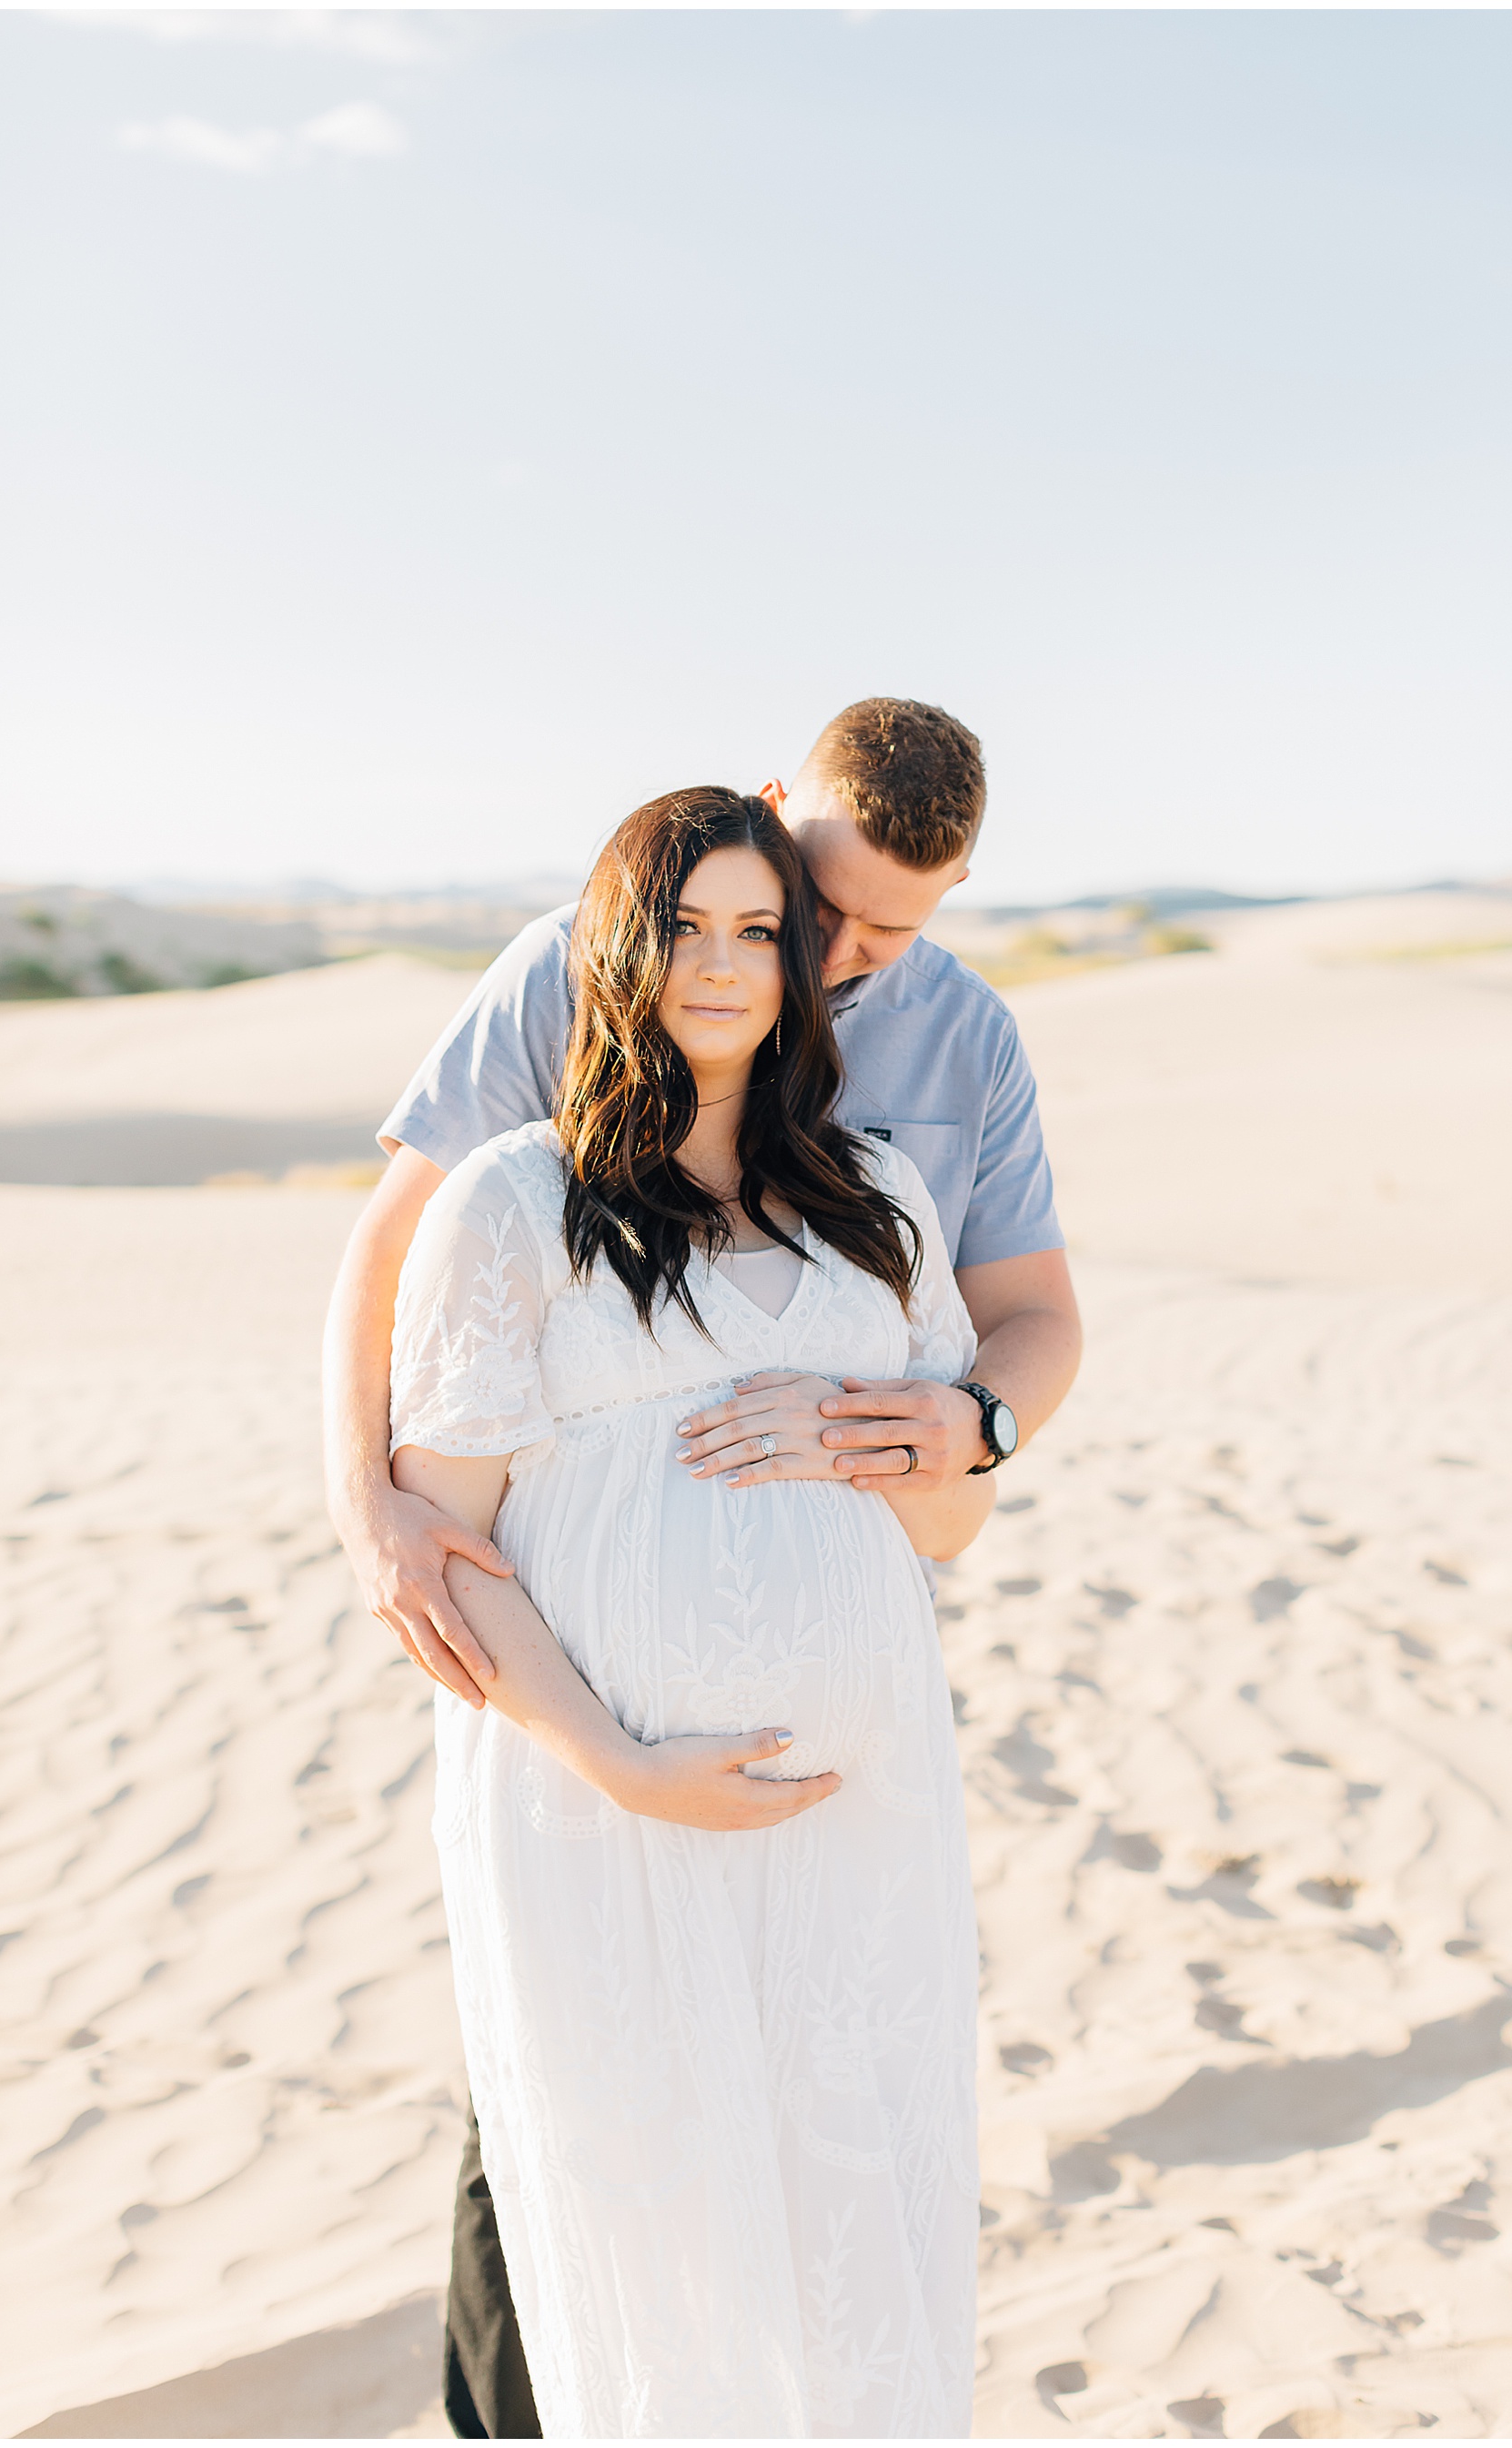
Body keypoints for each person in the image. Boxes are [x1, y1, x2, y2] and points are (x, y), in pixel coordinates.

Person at [323, 698, 1083, 2434]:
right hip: (597, 1785)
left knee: (829, 2179)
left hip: (848, 1818)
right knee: (570, 2164)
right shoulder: (565, 1021)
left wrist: (962, 1429)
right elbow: (396, 1256)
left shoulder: (936, 1086)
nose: (825, 954)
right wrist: (366, 1501)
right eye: (792, 906)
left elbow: (1028, 1332)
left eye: (888, 925)